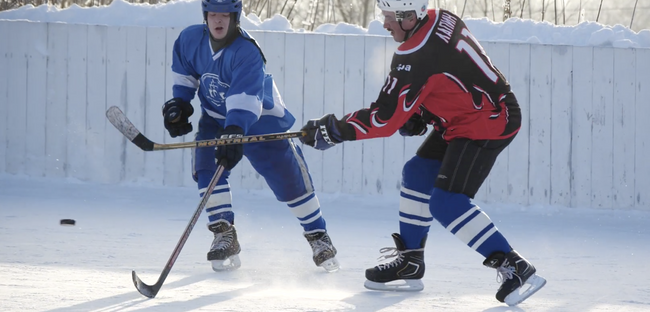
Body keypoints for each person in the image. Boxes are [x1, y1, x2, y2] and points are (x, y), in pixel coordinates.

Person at [299, 1, 546, 306]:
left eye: (389, 17)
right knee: (417, 173)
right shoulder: (441, 18)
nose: (384, 23)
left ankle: (515, 267)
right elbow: (453, 74)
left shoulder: (414, 55)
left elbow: (385, 118)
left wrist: (333, 130)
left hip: (487, 122)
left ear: (408, 17)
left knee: (446, 202)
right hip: (466, 116)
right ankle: (411, 261)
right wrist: (423, 111)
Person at [161, 0, 339, 273]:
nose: (218, 21)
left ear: (235, 18)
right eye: (213, 15)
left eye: (225, 15)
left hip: (260, 121)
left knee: (288, 178)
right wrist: (180, 105)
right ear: (205, 16)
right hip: (217, 119)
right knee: (207, 168)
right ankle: (224, 234)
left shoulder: (247, 51)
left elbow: (245, 97)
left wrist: (234, 131)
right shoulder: (189, 39)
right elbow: (185, 77)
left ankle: (318, 235)